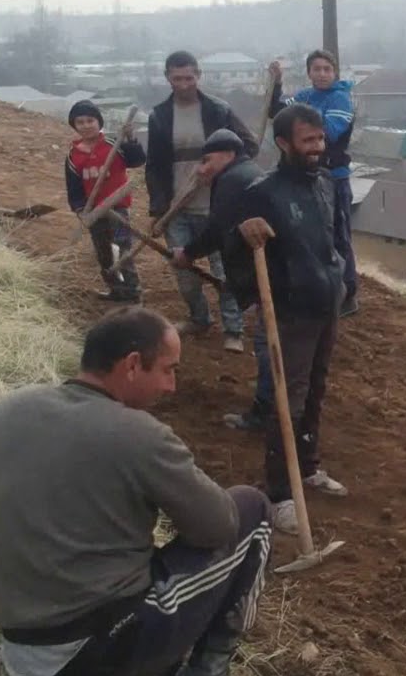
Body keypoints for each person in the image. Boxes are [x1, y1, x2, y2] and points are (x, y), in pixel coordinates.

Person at [0, 306, 273, 676]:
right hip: (92, 656)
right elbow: (219, 526)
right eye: (168, 369)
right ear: (133, 365)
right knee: (251, 507)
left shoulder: (11, 408)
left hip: (23, 655)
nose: (171, 386)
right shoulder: (139, 434)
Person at [228, 103, 350, 534]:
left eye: (320, 139)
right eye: (308, 141)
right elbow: (235, 251)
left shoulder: (325, 185)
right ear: (283, 144)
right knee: (287, 403)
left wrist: (344, 284)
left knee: (315, 393)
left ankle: (310, 466)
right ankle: (280, 494)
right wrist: (244, 240)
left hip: (326, 305)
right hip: (291, 313)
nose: (317, 148)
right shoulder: (264, 193)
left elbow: (337, 240)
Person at [146, 50, 257, 353]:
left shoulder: (218, 110)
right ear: (167, 78)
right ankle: (199, 318)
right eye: (177, 78)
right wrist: (158, 208)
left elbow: (249, 145)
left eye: (189, 77)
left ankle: (233, 329)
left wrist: (225, 169)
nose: (183, 84)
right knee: (184, 270)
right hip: (176, 207)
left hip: (216, 206)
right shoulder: (159, 116)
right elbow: (154, 167)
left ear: (198, 76)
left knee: (225, 272)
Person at [171, 129, 273, 433]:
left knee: (268, 345)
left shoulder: (231, 180)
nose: (202, 169)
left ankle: (264, 415)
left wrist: (187, 254)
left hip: (272, 276)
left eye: (207, 160)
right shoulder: (252, 172)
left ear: (227, 154)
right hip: (275, 270)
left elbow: (217, 229)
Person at [267, 50, 360, 318]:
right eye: (316, 69)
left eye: (326, 69)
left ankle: (348, 292)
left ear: (335, 72)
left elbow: (327, 133)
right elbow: (279, 114)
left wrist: (297, 128)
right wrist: (276, 85)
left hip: (334, 177)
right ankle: (318, 288)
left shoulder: (340, 99)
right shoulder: (305, 97)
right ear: (309, 72)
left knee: (339, 236)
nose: (321, 74)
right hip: (304, 176)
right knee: (310, 234)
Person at [65, 99, 146, 303]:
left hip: (118, 210)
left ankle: (132, 291)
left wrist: (130, 139)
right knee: (103, 251)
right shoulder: (73, 156)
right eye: (80, 122)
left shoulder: (114, 144)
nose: (86, 125)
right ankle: (115, 289)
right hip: (94, 212)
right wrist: (80, 209)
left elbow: (137, 160)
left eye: (90, 120)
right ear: (74, 125)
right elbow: (74, 189)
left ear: (99, 122)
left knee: (121, 247)